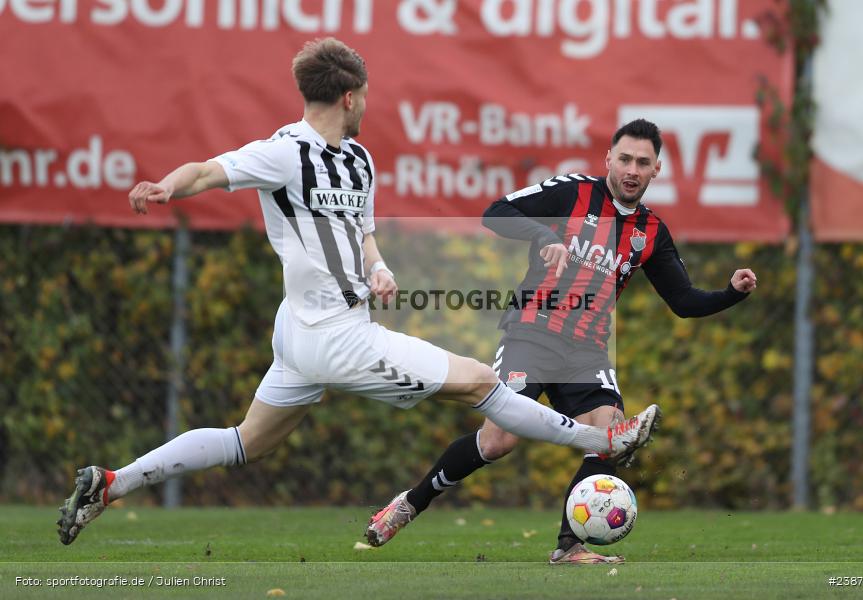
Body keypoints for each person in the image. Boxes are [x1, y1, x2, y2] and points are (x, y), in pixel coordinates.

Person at [56, 39, 660, 546]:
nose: (367, 105)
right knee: (480, 382)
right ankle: (602, 439)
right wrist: (167, 186)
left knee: (247, 442)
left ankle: (111, 483)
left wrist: (379, 268)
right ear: (350, 97)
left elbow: (361, 232)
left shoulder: (358, 161)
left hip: (302, 330)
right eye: (365, 95)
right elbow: (209, 170)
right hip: (335, 337)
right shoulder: (285, 152)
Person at [366, 118, 758, 564]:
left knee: (609, 434)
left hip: (586, 352)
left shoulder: (651, 232)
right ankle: (410, 503)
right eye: (625, 159)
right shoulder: (572, 192)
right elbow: (495, 212)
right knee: (497, 442)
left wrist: (731, 293)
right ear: (608, 159)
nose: (632, 170)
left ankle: (570, 545)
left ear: (657, 169)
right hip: (530, 335)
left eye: (642, 163)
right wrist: (544, 234)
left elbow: (683, 301)